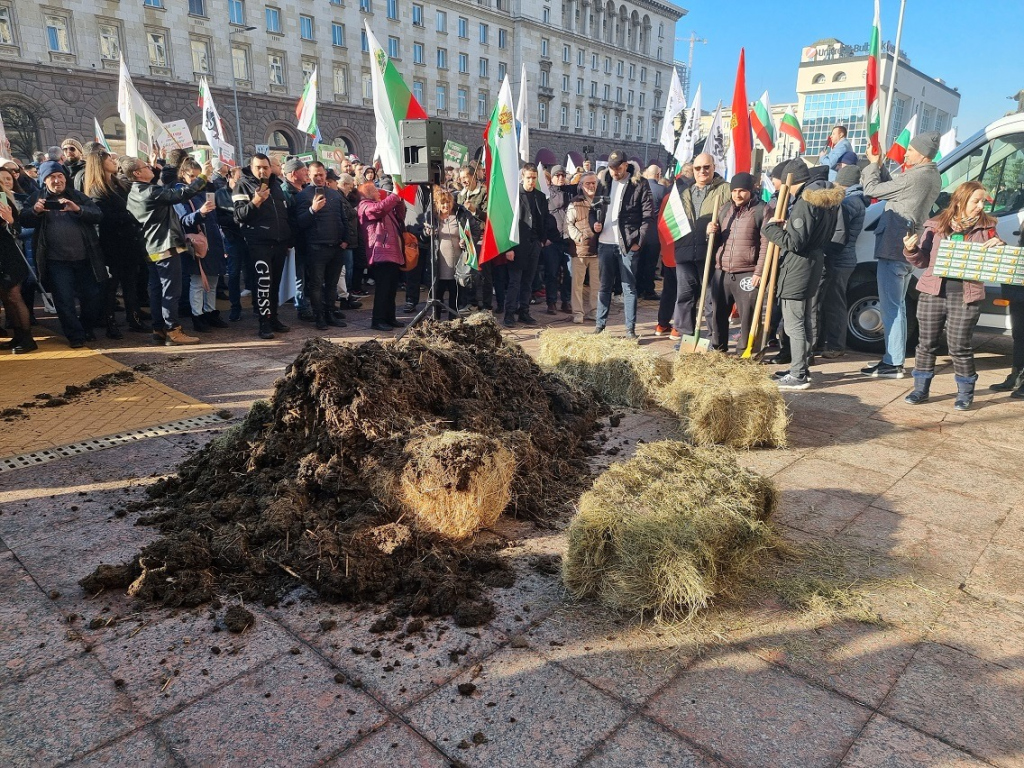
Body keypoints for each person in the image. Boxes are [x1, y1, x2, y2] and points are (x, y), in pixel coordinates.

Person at [902, 181, 1003, 410]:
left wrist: (999, 245)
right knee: (926, 344)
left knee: (959, 346)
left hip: (966, 295)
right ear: (961, 200)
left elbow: (997, 256)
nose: (980, 206)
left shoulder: (988, 227)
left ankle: (965, 393)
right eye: (975, 201)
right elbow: (923, 261)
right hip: (932, 293)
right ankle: (920, 389)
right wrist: (910, 250)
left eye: (982, 201)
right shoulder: (936, 225)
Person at [861, 131, 943, 379]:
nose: (906, 153)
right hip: (905, 248)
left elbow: (871, 188)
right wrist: (881, 165)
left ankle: (893, 362)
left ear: (922, 153)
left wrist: (873, 164)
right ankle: (892, 359)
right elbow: (893, 189)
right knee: (897, 306)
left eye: (910, 149)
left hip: (894, 247)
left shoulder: (916, 177)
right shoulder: (931, 176)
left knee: (892, 308)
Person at [763, 159, 844, 390]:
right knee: (805, 320)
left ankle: (798, 374)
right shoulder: (825, 200)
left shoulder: (805, 202)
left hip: (797, 268)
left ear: (790, 179)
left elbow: (795, 242)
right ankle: (801, 367)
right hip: (812, 264)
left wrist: (769, 229)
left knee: (794, 323)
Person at [125, 156, 211, 346]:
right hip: (165, 246)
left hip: (150, 247)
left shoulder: (132, 193)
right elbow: (183, 194)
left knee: (156, 290)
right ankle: (173, 330)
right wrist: (203, 177)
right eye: (146, 166)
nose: (150, 168)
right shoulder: (151, 191)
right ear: (137, 173)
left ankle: (159, 330)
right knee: (171, 290)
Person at [20, 161, 105, 348]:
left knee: (92, 296)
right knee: (64, 300)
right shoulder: (35, 197)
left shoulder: (78, 196)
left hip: (85, 258)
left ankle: (85, 327)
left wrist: (78, 209)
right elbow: (23, 219)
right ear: (44, 180)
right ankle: (75, 336)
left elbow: (98, 214)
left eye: (60, 176)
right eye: (51, 177)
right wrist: (35, 211)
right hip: (56, 261)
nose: (57, 181)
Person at [83, 149, 147, 336]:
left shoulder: (118, 183)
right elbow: (104, 217)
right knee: (112, 286)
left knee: (130, 282)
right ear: (100, 163)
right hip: (111, 243)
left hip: (128, 240)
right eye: (109, 159)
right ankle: (110, 323)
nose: (113, 160)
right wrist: (129, 216)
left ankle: (134, 319)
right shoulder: (97, 188)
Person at [591, 151, 654, 339]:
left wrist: (638, 242)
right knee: (604, 286)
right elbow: (593, 210)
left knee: (629, 287)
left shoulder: (639, 183)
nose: (614, 172)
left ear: (626, 165)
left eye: (617, 168)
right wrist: (594, 224)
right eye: (611, 168)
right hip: (604, 243)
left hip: (627, 243)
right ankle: (600, 326)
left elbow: (647, 215)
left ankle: (630, 330)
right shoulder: (603, 182)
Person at [706, 172, 769, 354]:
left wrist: (759, 272)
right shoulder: (725, 209)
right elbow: (717, 241)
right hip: (722, 271)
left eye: (742, 190)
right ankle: (718, 349)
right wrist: (711, 232)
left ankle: (744, 351)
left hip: (748, 272)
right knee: (718, 314)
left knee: (747, 316)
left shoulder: (761, 210)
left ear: (751, 190)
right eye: (734, 191)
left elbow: (766, 245)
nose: (738, 195)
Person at [670, 151, 730, 343]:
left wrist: (718, 228)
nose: (702, 171)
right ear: (692, 170)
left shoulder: (725, 190)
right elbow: (672, 222)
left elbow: (734, 218)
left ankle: (714, 340)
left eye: (706, 167)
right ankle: (686, 338)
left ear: (714, 167)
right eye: (698, 168)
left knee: (712, 301)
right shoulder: (684, 192)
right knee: (685, 298)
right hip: (685, 253)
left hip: (711, 253)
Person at [233, 153, 293, 340]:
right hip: (258, 243)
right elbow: (239, 216)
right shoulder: (242, 185)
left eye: (265, 167)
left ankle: (273, 317)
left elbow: (284, 213)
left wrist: (288, 238)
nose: (262, 170)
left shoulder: (276, 185)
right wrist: (256, 201)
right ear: (251, 167)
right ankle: (264, 322)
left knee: (274, 284)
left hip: (279, 243)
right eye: (258, 167)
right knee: (264, 284)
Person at [813, 163, 866, 359]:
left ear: (841, 182)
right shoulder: (857, 200)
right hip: (846, 259)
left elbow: (838, 234)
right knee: (832, 301)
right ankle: (830, 342)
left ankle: (835, 345)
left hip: (838, 259)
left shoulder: (847, 203)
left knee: (834, 303)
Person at [175, 158, 228, 333]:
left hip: (212, 240)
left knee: (212, 280)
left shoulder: (205, 191)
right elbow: (184, 221)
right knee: (197, 282)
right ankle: (197, 316)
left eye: (200, 177)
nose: (196, 180)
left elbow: (215, 216)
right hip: (198, 243)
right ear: (183, 175)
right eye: (192, 176)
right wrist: (201, 213)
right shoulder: (181, 193)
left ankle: (209, 311)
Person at [296, 162, 349, 330]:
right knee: (317, 284)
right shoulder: (303, 196)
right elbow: (300, 223)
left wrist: (346, 239)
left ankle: (330, 313)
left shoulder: (335, 194)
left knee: (332, 284)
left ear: (325, 174)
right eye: (315, 175)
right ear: (309, 175)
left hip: (336, 246)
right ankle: (319, 317)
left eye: (321, 174)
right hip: (316, 247)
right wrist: (313, 209)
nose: (318, 178)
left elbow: (344, 218)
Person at [504, 164, 556, 329]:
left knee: (528, 281)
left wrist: (542, 240)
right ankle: (509, 313)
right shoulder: (514, 195)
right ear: (522, 177)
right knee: (514, 282)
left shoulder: (540, 196)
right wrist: (508, 248)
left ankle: (524, 311)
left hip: (534, 244)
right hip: (517, 245)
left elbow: (545, 218)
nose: (531, 181)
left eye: (534, 178)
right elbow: (507, 223)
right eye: (529, 178)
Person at [422, 186, 481, 320]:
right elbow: (423, 239)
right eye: (442, 203)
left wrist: (466, 241)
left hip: (457, 265)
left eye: (448, 202)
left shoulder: (461, 214)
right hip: (438, 265)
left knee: (455, 297)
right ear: (437, 204)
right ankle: (435, 322)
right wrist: (427, 233)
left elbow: (475, 230)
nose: (446, 205)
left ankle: (452, 322)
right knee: (436, 296)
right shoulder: (432, 217)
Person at [357, 182, 406, 331]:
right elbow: (379, 210)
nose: (379, 192)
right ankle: (377, 320)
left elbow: (400, 215)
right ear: (367, 193)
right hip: (380, 253)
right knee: (383, 289)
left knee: (391, 289)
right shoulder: (365, 206)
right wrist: (395, 195)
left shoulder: (381, 204)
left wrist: (399, 200)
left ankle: (390, 318)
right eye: (375, 190)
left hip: (391, 252)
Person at [0, 166, 36, 353]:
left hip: (8, 255)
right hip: (3, 256)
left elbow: (15, 229)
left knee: (14, 296)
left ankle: (27, 338)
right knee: (7, 298)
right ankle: (18, 336)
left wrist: (10, 221)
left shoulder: (3, 198)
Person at [564, 172, 600, 324]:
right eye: (588, 183)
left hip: (598, 249)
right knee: (577, 285)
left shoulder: (601, 202)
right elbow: (567, 225)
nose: (591, 186)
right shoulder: (575, 203)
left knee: (596, 284)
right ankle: (578, 312)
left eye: (594, 183)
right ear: (581, 186)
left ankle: (595, 311)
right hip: (579, 250)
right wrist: (579, 237)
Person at [281, 158, 311, 321]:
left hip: (309, 239)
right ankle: (302, 306)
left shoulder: (306, 189)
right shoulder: (284, 192)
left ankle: (309, 303)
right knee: (299, 275)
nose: (307, 172)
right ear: (294, 174)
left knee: (308, 274)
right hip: (295, 240)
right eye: (303, 170)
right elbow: (286, 219)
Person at [543, 165, 574, 315]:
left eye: (563, 175)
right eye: (557, 175)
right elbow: (541, 217)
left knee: (569, 273)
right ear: (552, 177)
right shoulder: (546, 194)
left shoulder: (571, 191)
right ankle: (552, 302)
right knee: (552, 273)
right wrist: (545, 238)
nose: (561, 178)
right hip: (552, 241)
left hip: (568, 240)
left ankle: (566, 301)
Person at [638, 164, 667, 301]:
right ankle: (648, 290)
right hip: (655, 232)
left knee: (639, 262)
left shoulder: (638, 188)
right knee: (650, 263)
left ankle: (638, 289)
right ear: (658, 175)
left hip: (640, 231)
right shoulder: (662, 190)